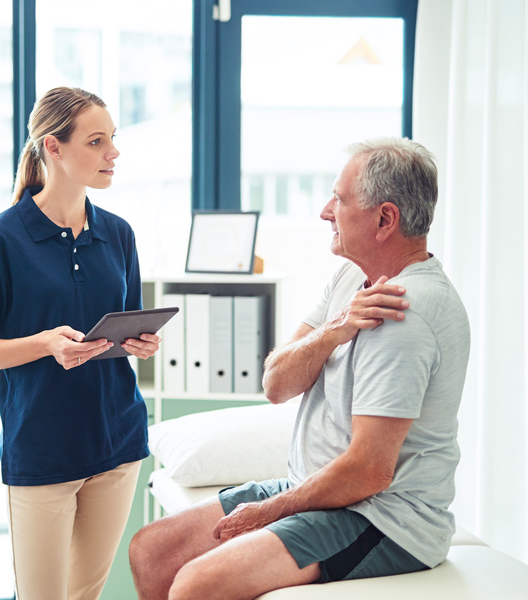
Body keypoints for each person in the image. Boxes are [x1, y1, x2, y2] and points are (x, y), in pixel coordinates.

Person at [129, 137, 471, 600]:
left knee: (195, 584)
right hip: (316, 490)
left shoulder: (404, 313)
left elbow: (368, 472)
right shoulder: (353, 279)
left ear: (385, 219)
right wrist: (333, 331)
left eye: (341, 199)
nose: (326, 211)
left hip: (382, 517)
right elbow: (276, 383)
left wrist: (271, 510)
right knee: (152, 550)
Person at [0, 86, 160, 600]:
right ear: (54, 147)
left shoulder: (119, 234)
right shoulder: (1, 238)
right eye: (96, 141)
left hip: (118, 444)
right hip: (41, 449)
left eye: (113, 139)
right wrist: (45, 343)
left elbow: (124, 323)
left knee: (84, 594)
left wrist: (139, 343)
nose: (112, 153)